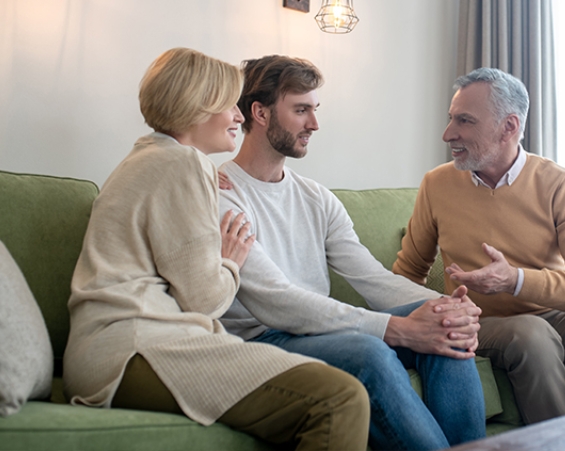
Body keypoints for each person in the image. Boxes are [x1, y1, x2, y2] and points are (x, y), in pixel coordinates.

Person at [63, 47, 370, 450]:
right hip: (134, 347)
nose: (239, 116)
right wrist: (229, 262)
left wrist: (204, 180)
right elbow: (204, 301)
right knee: (339, 397)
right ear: (198, 106)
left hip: (108, 350)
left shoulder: (152, 158)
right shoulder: (181, 164)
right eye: (230, 105)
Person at [217, 55, 486, 451]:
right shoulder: (223, 194)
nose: (314, 124)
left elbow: (372, 278)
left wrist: (447, 307)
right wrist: (396, 328)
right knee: (368, 351)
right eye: (301, 110)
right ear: (259, 112)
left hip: (319, 330)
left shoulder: (316, 198)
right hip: (263, 340)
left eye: (315, 110)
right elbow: (277, 301)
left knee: (446, 327)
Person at [392, 67, 565, 425]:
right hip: (484, 323)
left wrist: (516, 280)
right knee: (531, 333)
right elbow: (408, 272)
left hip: (556, 318)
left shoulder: (557, 183)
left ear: (509, 127)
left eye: (465, 121)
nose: (448, 133)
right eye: (451, 119)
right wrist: (420, 319)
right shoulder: (437, 184)